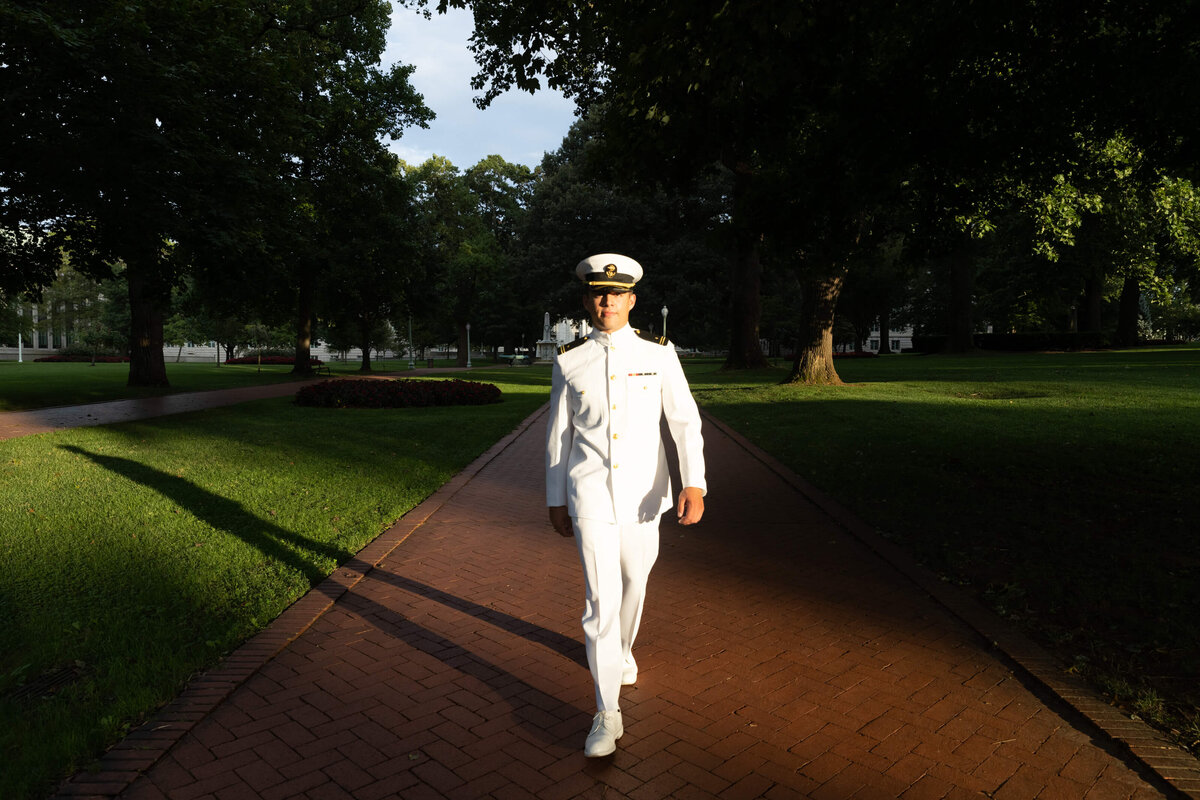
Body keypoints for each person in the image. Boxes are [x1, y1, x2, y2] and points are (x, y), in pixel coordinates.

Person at [545, 253, 707, 757]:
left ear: (632, 300)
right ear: (588, 299)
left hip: (643, 496)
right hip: (589, 493)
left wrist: (694, 483)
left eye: (617, 294)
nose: (607, 300)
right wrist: (555, 498)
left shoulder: (659, 354)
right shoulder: (570, 359)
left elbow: (684, 421)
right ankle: (606, 713)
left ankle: (623, 651)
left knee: (635, 582)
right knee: (600, 602)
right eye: (598, 293)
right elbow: (558, 436)